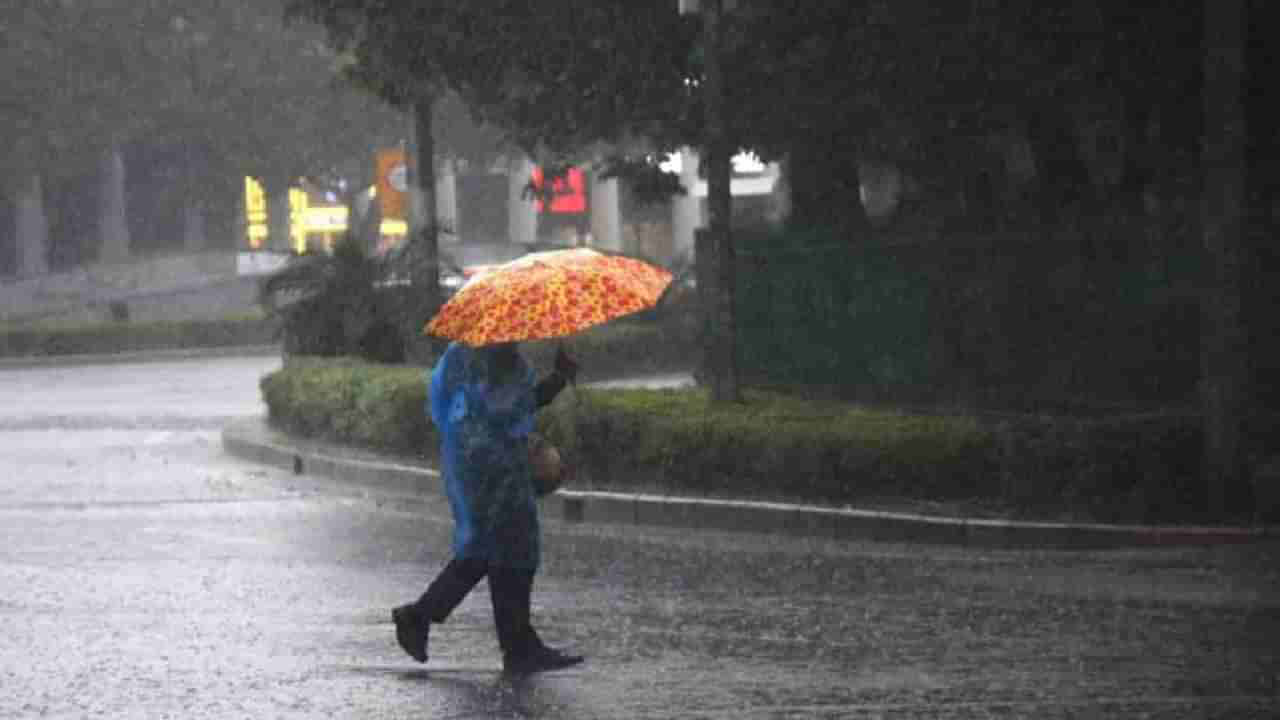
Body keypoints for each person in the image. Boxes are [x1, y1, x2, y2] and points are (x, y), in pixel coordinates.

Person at [392, 340, 584, 675]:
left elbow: (512, 407)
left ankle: (516, 643)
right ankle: (510, 643)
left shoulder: (483, 354)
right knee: (504, 551)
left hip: (484, 465)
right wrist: (557, 379)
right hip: (490, 469)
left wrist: (557, 378)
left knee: (499, 553)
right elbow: (509, 408)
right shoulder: (489, 357)